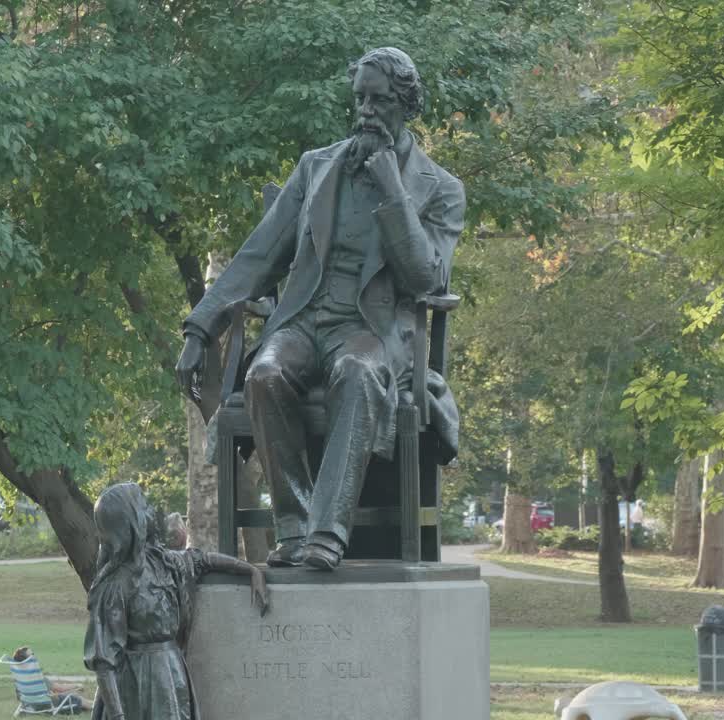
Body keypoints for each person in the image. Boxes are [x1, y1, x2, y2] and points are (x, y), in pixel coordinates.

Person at [175, 47, 465, 570]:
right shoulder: (316, 167)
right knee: (264, 375)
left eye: (379, 101)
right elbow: (258, 256)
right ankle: (293, 528)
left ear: (406, 105)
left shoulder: (441, 189)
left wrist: (392, 188)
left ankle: (327, 535)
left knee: (357, 371)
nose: (366, 112)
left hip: (374, 329)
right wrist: (200, 330)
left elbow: (425, 277)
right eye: (360, 99)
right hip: (304, 319)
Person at [85, 483, 269, 720]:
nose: (152, 511)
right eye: (144, 506)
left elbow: (204, 560)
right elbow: (104, 663)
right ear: (131, 521)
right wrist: (118, 716)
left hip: (172, 673)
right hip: (135, 683)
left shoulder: (166, 563)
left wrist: (251, 570)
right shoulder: (115, 585)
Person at [9, 646, 92, 712]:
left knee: (69, 695)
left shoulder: (19, 677)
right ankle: (96, 708)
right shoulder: (36, 678)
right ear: (27, 660)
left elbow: (19, 696)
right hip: (49, 705)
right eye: (32, 655)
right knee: (76, 697)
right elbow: (60, 688)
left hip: (30, 705)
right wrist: (76, 685)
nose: (34, 656)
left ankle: (94, 703)